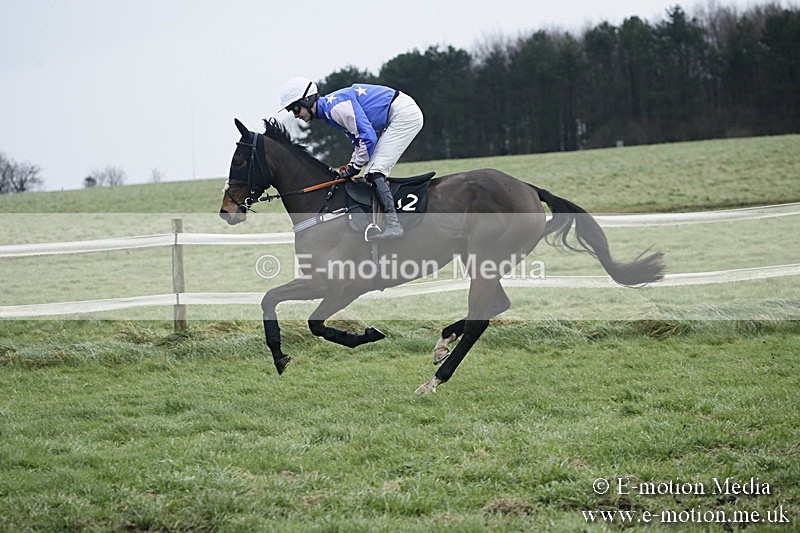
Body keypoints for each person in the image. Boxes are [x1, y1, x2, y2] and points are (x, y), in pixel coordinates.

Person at [278, 77, 424, 240]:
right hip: (397, 113)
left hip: (403, 115)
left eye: (296, 109)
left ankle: (394, 225)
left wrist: (354, 167)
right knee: (372, 170)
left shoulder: (335, 109)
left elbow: (368, 139)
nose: (296, 115)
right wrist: (352, 164)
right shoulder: (329, 111)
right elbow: (358, 141)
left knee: (375, 172)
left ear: (307, 99)